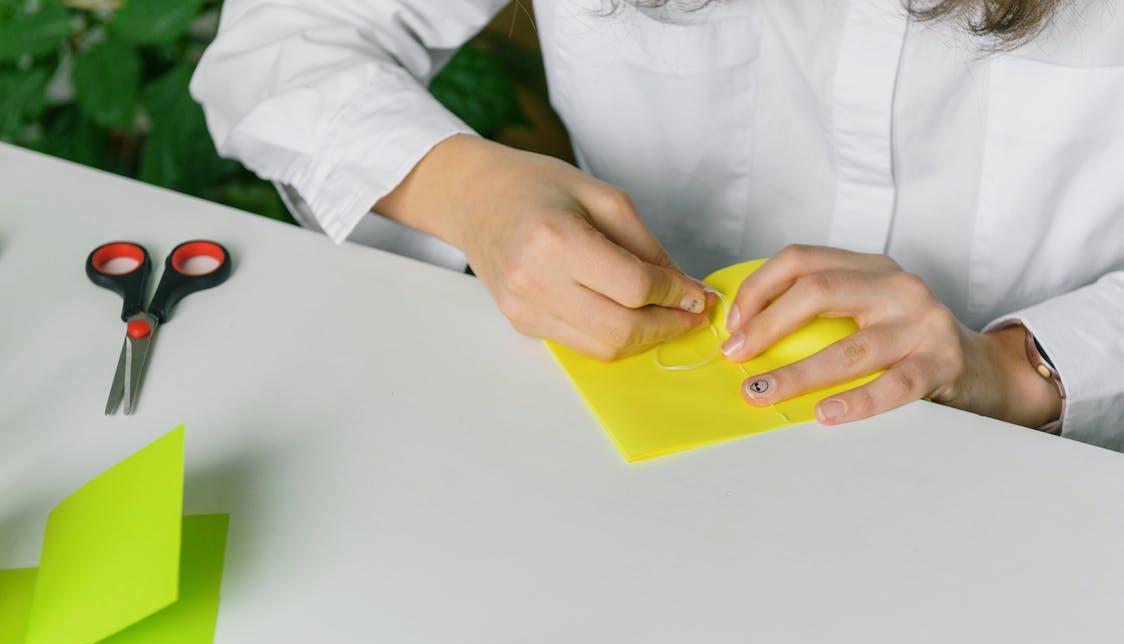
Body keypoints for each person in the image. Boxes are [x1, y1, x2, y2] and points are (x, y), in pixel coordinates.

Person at [190, 0, 1124, 451]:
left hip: (1051, 482)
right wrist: (467, 191)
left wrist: (1019, 368)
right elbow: (284, 46)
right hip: (632, 463)